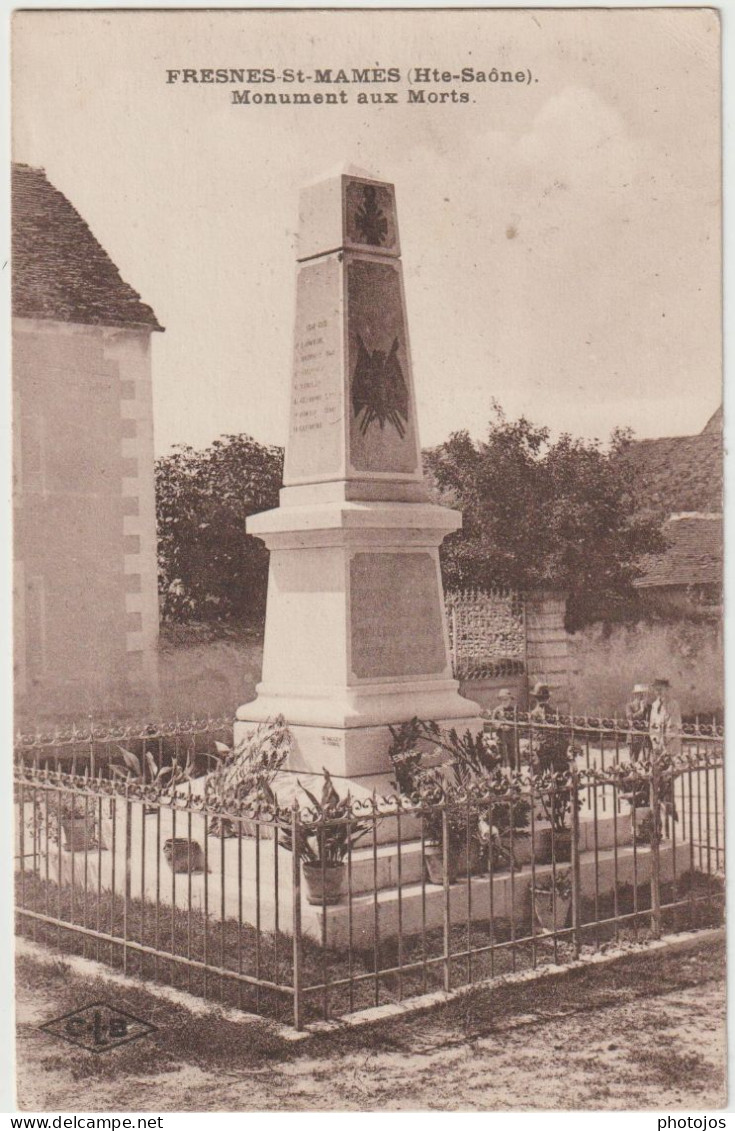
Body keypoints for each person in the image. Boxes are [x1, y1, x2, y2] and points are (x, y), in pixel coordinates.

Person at [487, 688, 519, 769]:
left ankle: (513, 772)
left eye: (506, 699)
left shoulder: (513, 710)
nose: (505, 701)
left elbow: (517, 722)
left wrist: (510, 726)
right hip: (501, 736)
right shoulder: (497, 710)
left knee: (512, 756)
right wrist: (500, 726)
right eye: (503, 699)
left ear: (510, 699)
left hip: (511, 736)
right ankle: (502, 772)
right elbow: (493, 722)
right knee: (502, 755)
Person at [626, 683, 652, 761]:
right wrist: (641, 711)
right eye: (640, 695)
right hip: (634, 736)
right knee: (634, 759)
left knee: (647, 760)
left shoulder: (649, 707)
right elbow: (630, 718)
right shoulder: (630, 706)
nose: (642, 697)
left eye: (644, 695)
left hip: (646, 736)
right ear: (635, 695)